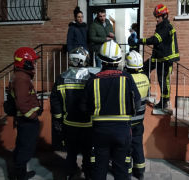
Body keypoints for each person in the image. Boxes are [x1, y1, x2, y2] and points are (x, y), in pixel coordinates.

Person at [80, 40, 141, 180]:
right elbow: (137, 104)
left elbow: (83, 107)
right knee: (120, 169)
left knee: (100, 168)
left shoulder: (92, 80)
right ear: (119, 60)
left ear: (101, 60)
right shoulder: (127, 77)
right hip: (122, 131)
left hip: (99, 131)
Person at [50, 47, 93, 180]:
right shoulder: (91, 78)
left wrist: (58, 118)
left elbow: (55, 100)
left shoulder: (61, 78)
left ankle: (69, 174)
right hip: (88, 124)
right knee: (87, 153)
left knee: (71, 152)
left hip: (69, 123)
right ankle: (89, 174)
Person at [134, 4, 180, 109]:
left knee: (163, 80)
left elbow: (155, 40)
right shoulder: (161, 26)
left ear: (164, 16)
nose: (157, 19)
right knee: (144, 68)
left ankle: (164, 101)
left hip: (166, 59)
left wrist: (138, 41)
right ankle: (146, 88)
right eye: (156, 17)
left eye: (158, 17)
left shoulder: (166, 26)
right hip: (158, 57)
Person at [10, 47, 42, 180]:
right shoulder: (22, 78)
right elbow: (22, 103)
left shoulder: (20, 76)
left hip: (24, 120)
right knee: (25, 148)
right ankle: (20, 177)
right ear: (25, 62)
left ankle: (20, 174)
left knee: (22, 146)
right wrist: (32, 116)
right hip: (27, 120)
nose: (34, 64)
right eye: (32, 61)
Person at [125, 51, 150, 180]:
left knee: (126, 147)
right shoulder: (145, 77)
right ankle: (140, 172)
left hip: (128, 120)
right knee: (138, 145)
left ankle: (128, 172)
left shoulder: (126, 79)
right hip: (140, 119)